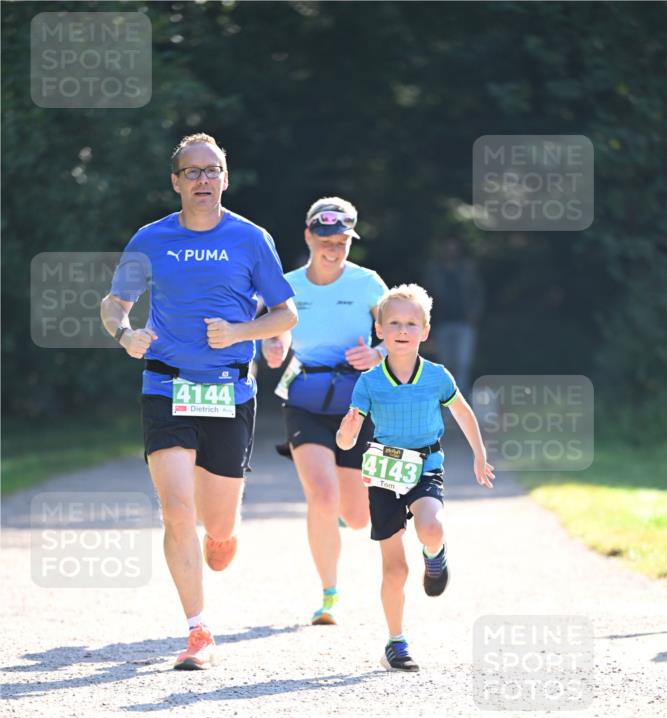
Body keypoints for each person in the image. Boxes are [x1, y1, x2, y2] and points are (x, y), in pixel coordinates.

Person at [101, 133, 296, 670]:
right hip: (166, 383)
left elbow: (284, 314)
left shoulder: (251, 238)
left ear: (225, 179)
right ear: (176, 182)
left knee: (219, 524)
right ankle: (197, 630)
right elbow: (115, 303)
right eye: (193, 172)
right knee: (176, 509)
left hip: (229, 389)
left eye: (213, 171)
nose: (204, 180)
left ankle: (225, 535)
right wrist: (125, 333)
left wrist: (238, 333)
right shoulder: (151, 239)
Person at [336, 283, 494, 672]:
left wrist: (479, 455)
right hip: (384, 473)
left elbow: (462, 412)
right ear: (380, 330)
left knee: (432, 527)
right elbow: (345, 439)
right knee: (395, 569)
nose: (402, 330)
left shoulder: (437, 376)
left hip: (424, 466)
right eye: (394, 323)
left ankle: (435, 556)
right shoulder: (370, 382)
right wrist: (348, 428)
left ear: (425, 332)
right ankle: (396, 641)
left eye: (411, 323)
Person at [268, 196, 387, 625]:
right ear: (308, 236)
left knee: (356, 518)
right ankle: (329, 594)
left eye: (342, 240)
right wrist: (274, 344)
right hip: (304, 397)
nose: (333, 249)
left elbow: (403, 332)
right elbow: (268, 331)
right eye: (325, 240)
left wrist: (377, 354)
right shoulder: (287, 285)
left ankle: (336, 519)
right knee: (321, 494)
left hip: (356, 401)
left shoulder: (368, 283)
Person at [423, 238, 484, 396]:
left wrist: (474, 314)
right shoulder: (434, 269)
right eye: (447, 248)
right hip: (442, 323)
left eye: (453, 248)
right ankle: (447, 400)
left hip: (464, 323)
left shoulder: (466, 268)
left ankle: (462, 399)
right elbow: (426, 296)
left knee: (462, 364)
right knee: (445, 364)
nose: (450, 251)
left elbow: (478, 292)